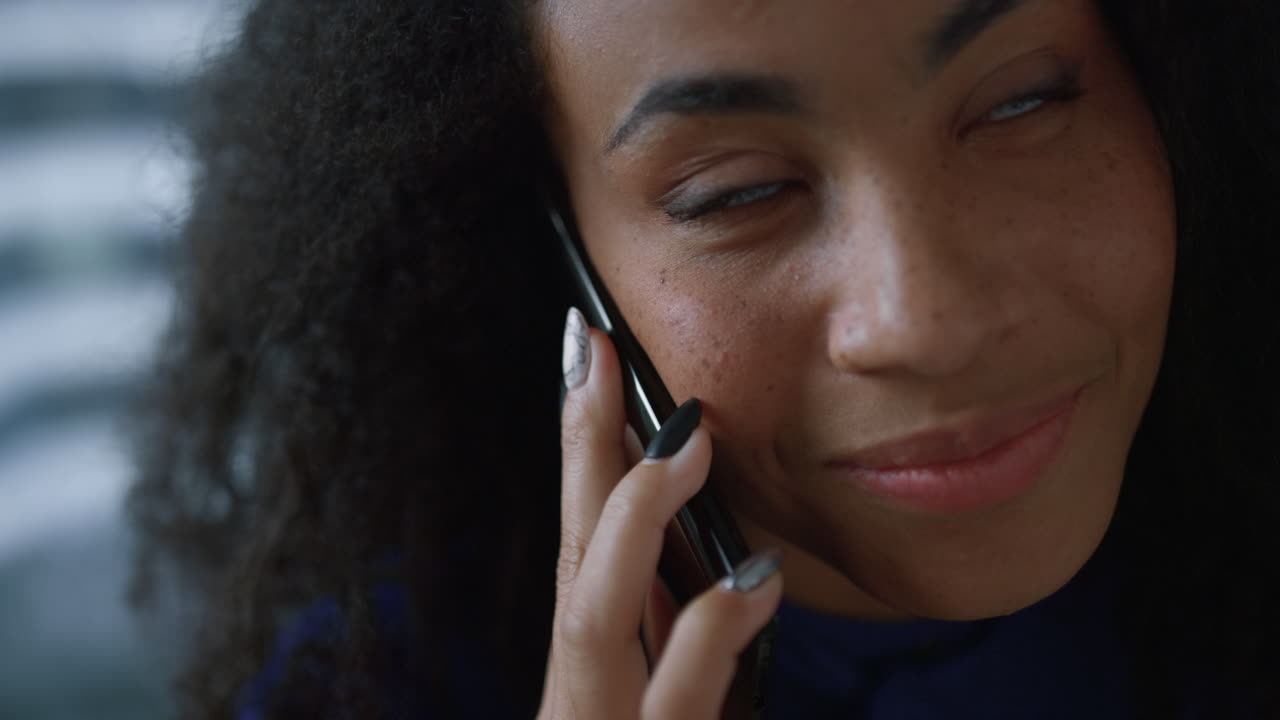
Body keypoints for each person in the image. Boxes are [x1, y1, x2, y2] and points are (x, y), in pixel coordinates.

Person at [127, 0, 1280, 717]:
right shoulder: (377, 690)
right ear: (559, 264)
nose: (924, 319)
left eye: (1021, 100)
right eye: (740, 193)